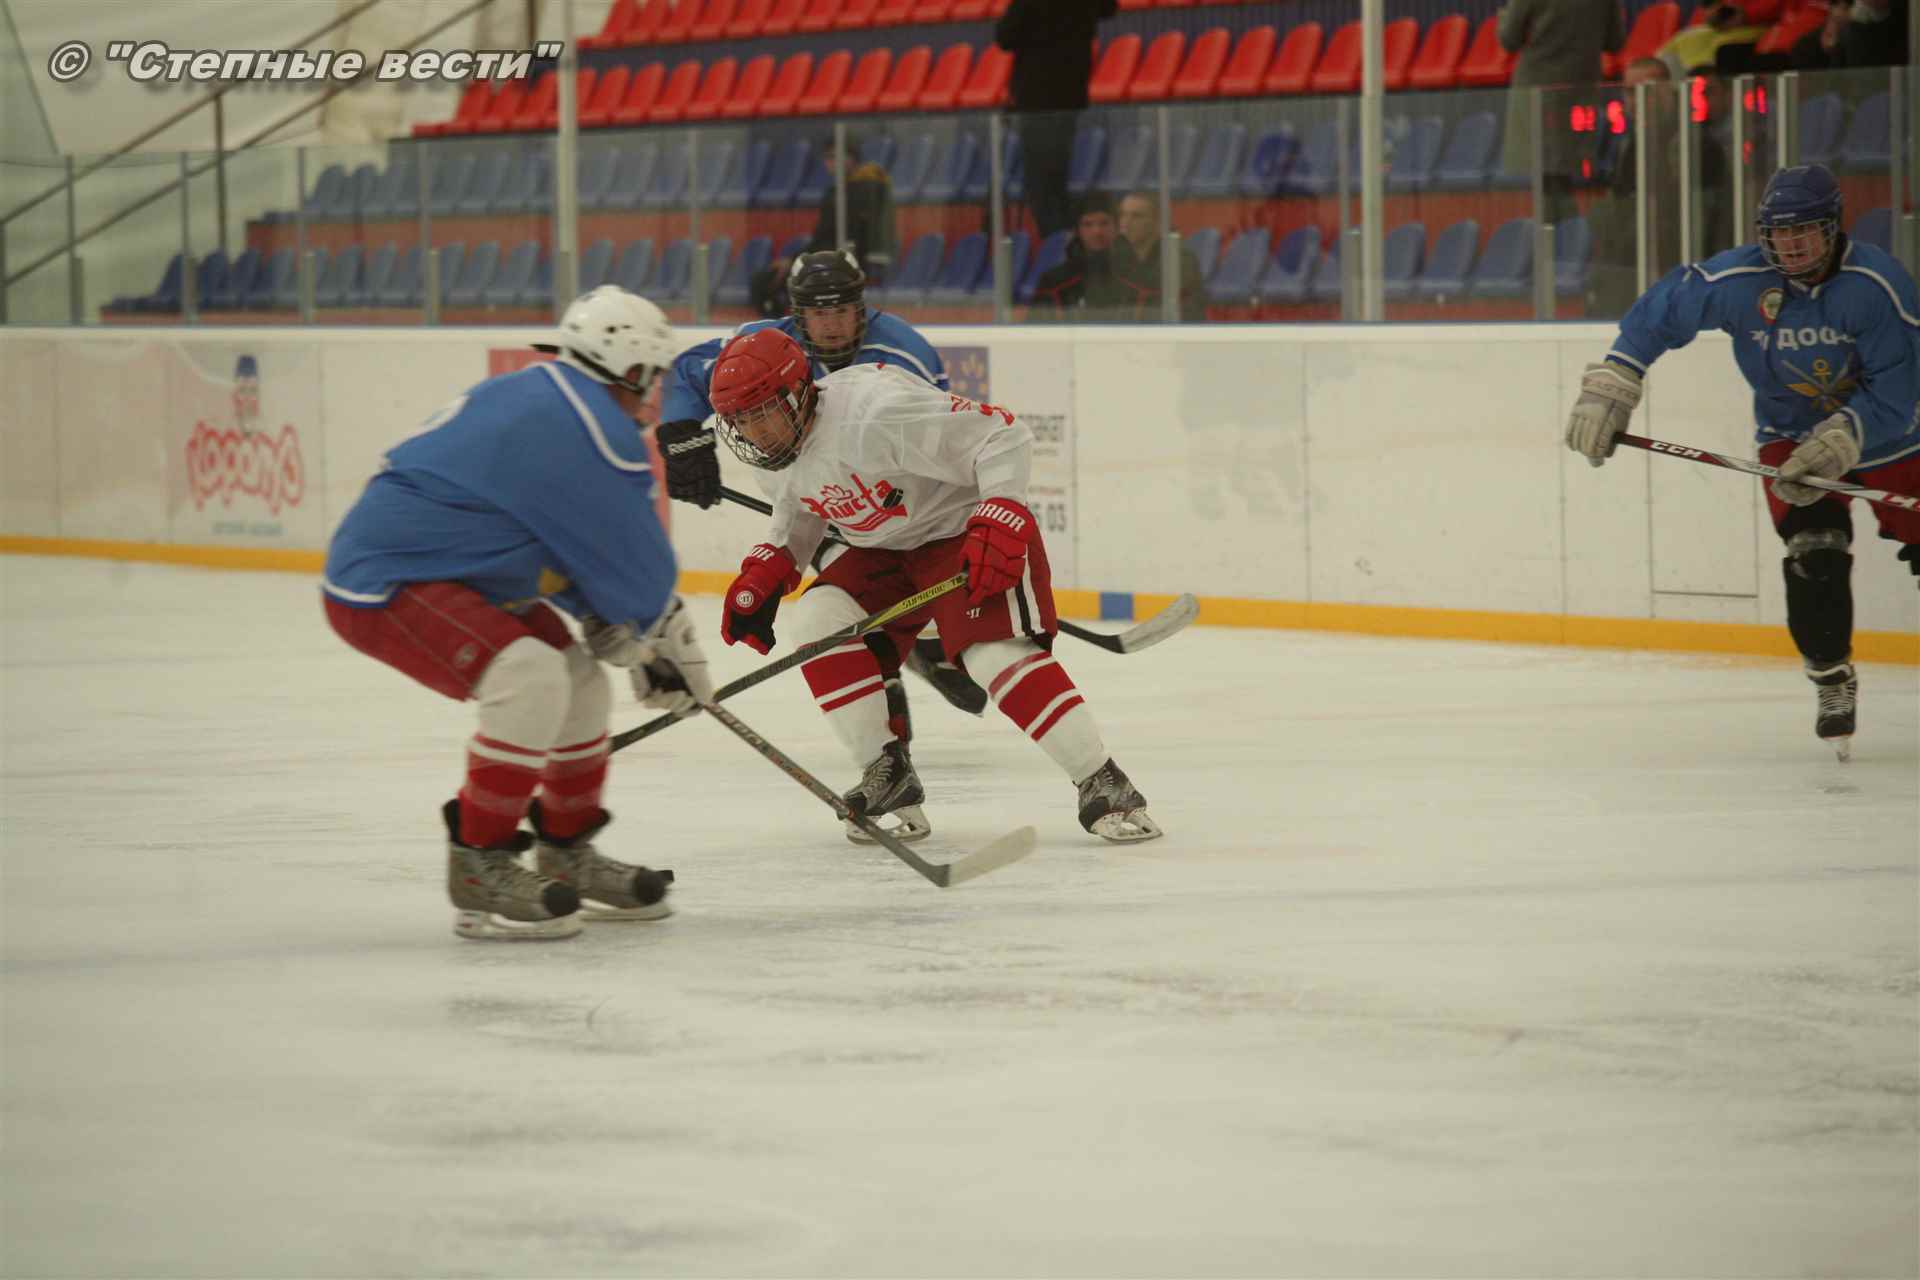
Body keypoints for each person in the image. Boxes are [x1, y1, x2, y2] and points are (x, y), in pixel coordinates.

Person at [321, 286, 715, 940]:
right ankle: (480, 862)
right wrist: (661, 637)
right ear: (626, 368)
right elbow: (637, 566)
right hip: (391, 579)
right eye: (648, 377)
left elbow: (548, 534)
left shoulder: (546, 395)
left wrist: (616, 624)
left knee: (581, 683)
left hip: (457, 568)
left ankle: (566, 850)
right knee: (529, 677)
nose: (650, 395)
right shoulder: (591, 427)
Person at [706, 326, 1162, 844]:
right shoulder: (775, 453)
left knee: (990, 654)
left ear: (796, 394)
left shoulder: (876, 415)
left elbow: (1003, 436)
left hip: (961, 532)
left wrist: (1002, 512)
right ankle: (887, 773)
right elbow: (802, 502)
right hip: (882, 548)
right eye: (739, 420)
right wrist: (773, 563)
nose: (752, 431)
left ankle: (1102, 780)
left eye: (760, 413)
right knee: (817, 619)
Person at [1564, 164, 1920, 759]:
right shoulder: (1740, 280)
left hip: (1895, 437)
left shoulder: (1877, 285)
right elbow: (1663, 311)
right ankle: (1831, 674)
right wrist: (1615, 380)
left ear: (1834, 227)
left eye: (1803, 230)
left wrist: (1844, 437)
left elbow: (1898, 389)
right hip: (1789, 435)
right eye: (1778, 232)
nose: (1790, 244)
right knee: (1813, 552)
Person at [652, 250, 989, 721]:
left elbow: (941, 446)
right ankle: (885, 680)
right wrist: (683, 438)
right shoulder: (766, 345)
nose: (830, 325)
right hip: (814, 499)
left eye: (841, 311)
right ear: (797, 313)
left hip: (888, 502)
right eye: (817, 313)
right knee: (844, 586)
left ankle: (917, 649)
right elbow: (688, 370)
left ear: (861, 308)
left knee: (889, 585)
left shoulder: (906, 353)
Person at [994, 0, 1119, 241]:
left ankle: (1059, 245)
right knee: (1058, 180)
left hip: (1036, 98)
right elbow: (1107, 8)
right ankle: (1066, 241)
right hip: (1072, 93)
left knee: (1042, 186)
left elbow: (1004, 37)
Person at [1497, 0, 1626, 227]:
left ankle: (1562, 237)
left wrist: (1503, 15)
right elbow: (1615, 42)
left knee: (1547, 178)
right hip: (1582, 89)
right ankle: (1567, 235)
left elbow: (1509, 39)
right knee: (1561, 177)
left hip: (1537, 88)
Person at [805, 135, 896, 283]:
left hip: (849, 266)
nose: (831, 162)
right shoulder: (834, 192)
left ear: (852, 158)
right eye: (827, 157)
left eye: (835, 156)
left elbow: (839, 238)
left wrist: (799, 260)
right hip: (831, 260)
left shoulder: (866, 189)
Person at [1110, 191, 1204, 323]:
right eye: (1123, 215)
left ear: (1158, 222)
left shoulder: (1180, 261)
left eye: (1136, 216)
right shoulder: (1118, 257)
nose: (1126, 222)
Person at [1029, 192, 1122, 321]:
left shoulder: (1133, 277)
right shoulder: (1053, 282)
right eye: (1087, 224)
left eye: (1104, 223)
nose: (1097, 231)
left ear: (1117, 227)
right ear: (1077, 231)